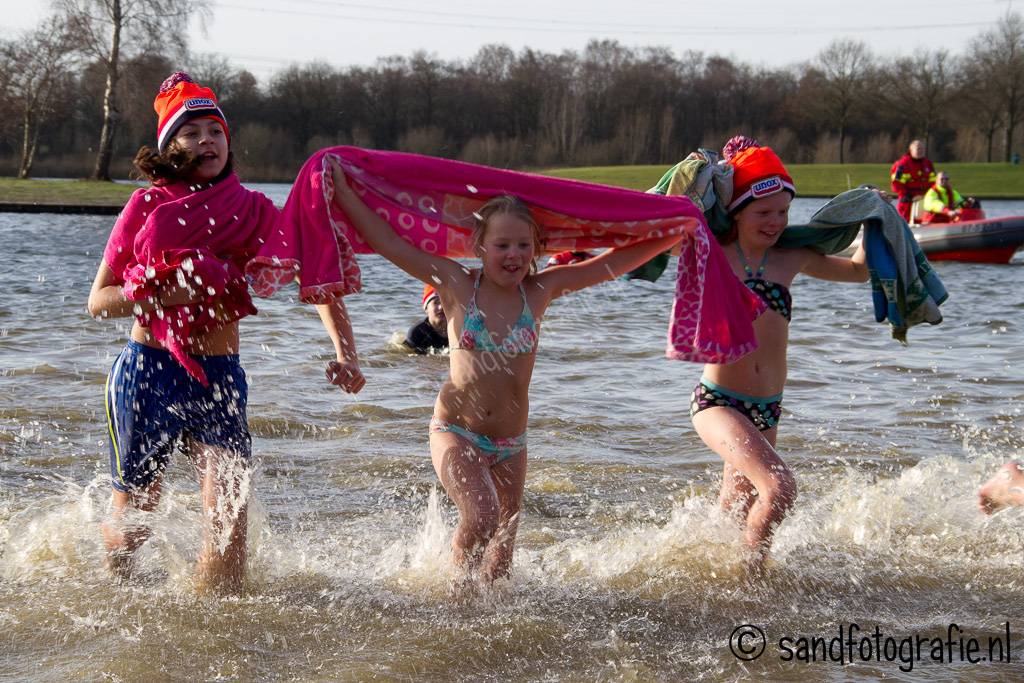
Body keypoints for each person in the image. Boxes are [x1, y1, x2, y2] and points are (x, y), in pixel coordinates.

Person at [330, 158, 681, 585]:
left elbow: (611, 265)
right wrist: (346, 194)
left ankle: (484, 625)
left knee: (502, 555)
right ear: (479, 246)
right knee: (481, 515)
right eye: (502, 245)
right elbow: (388, 244)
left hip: (512, 443)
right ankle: (454, 601)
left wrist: (671, 232)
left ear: (537, 248)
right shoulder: (456, 283)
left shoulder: (541, 291)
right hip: (455, 432)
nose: (513, 255)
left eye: (522, 246)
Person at [87, 73, 365, 592]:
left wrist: (346, 353)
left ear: (228, 142)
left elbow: (315, 270)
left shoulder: (254, 211)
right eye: (191, 132)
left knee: (229, 516)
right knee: (135, 522)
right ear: (172, 145)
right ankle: (115, 596)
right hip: (147, 371)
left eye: (215, 131)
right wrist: (161, 293)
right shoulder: (145, 208)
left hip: (218, 375)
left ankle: (216, 624)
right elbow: (98, 301)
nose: (206, 141)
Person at [690, 136, 869, 572]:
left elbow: (860, 272)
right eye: (763, 212)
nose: (775, 221)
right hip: (719, 403)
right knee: (780, 487)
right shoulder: (714, 254)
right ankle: (750, 587)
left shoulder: (792, 258)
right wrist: (698, 176)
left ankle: (706, 577)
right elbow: (672, 219)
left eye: (784, 212)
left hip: (768, 408)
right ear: (737, 212)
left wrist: (874, 219)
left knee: (733, 514)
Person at [890, 139, 936, 223]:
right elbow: (896, 181)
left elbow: (934, 182)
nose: (920, 151)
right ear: (911, 150)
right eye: (918, 148)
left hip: (924, 198)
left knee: (926, 219)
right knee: (904, 222)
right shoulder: (902, 164)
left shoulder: (928, 163)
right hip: (908, 199)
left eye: (922, 149)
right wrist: (904, 194)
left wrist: (931, 193)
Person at [403, 284, 449, 353]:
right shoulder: (417, 333)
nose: (441, 307)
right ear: (426, 309)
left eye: (445, 302)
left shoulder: (461, 329)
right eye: (436, 302)